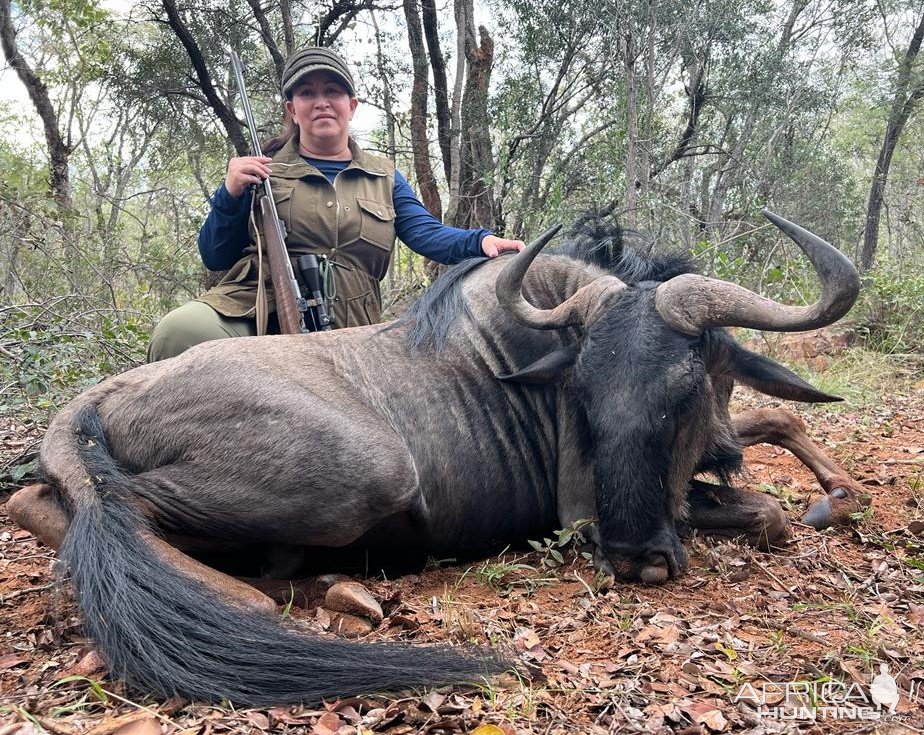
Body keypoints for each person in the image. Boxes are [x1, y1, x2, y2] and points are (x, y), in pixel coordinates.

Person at [147, 46, 524, 362]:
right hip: (257, 309)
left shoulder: (385, 176)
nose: (321, 102)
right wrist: (228, 196)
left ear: (351, 105)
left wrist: (480, 242)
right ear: (292, 110)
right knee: (180, 332)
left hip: (349, 325)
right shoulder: (258, 172)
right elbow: (215, 256)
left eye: (332, 91)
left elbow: (426, 234)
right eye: (307, 93)